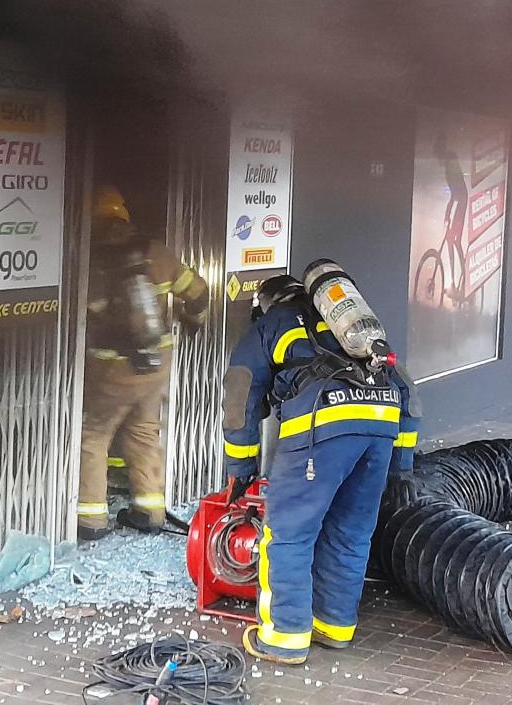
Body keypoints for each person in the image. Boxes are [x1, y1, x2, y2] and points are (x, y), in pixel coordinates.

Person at [222, 274, 418, 665]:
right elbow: (407, 391)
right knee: (351, 530)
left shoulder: (273, 323)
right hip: (381, 424)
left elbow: (240, 391)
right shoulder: (356, 326)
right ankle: (334, 625)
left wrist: (241, 465)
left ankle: (285, 635)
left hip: (321, 426)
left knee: (289, 533)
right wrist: (401, 466)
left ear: (267, 303)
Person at [77, 186, 209, 541]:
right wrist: (194, 321)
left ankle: (91, 518)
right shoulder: (157, 253)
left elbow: (93, 310)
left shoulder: (94, 260)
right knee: (144, 433)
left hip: (113, 366)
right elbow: (198, 292)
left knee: (94, 435)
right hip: (157, 361)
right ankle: (150, 511)